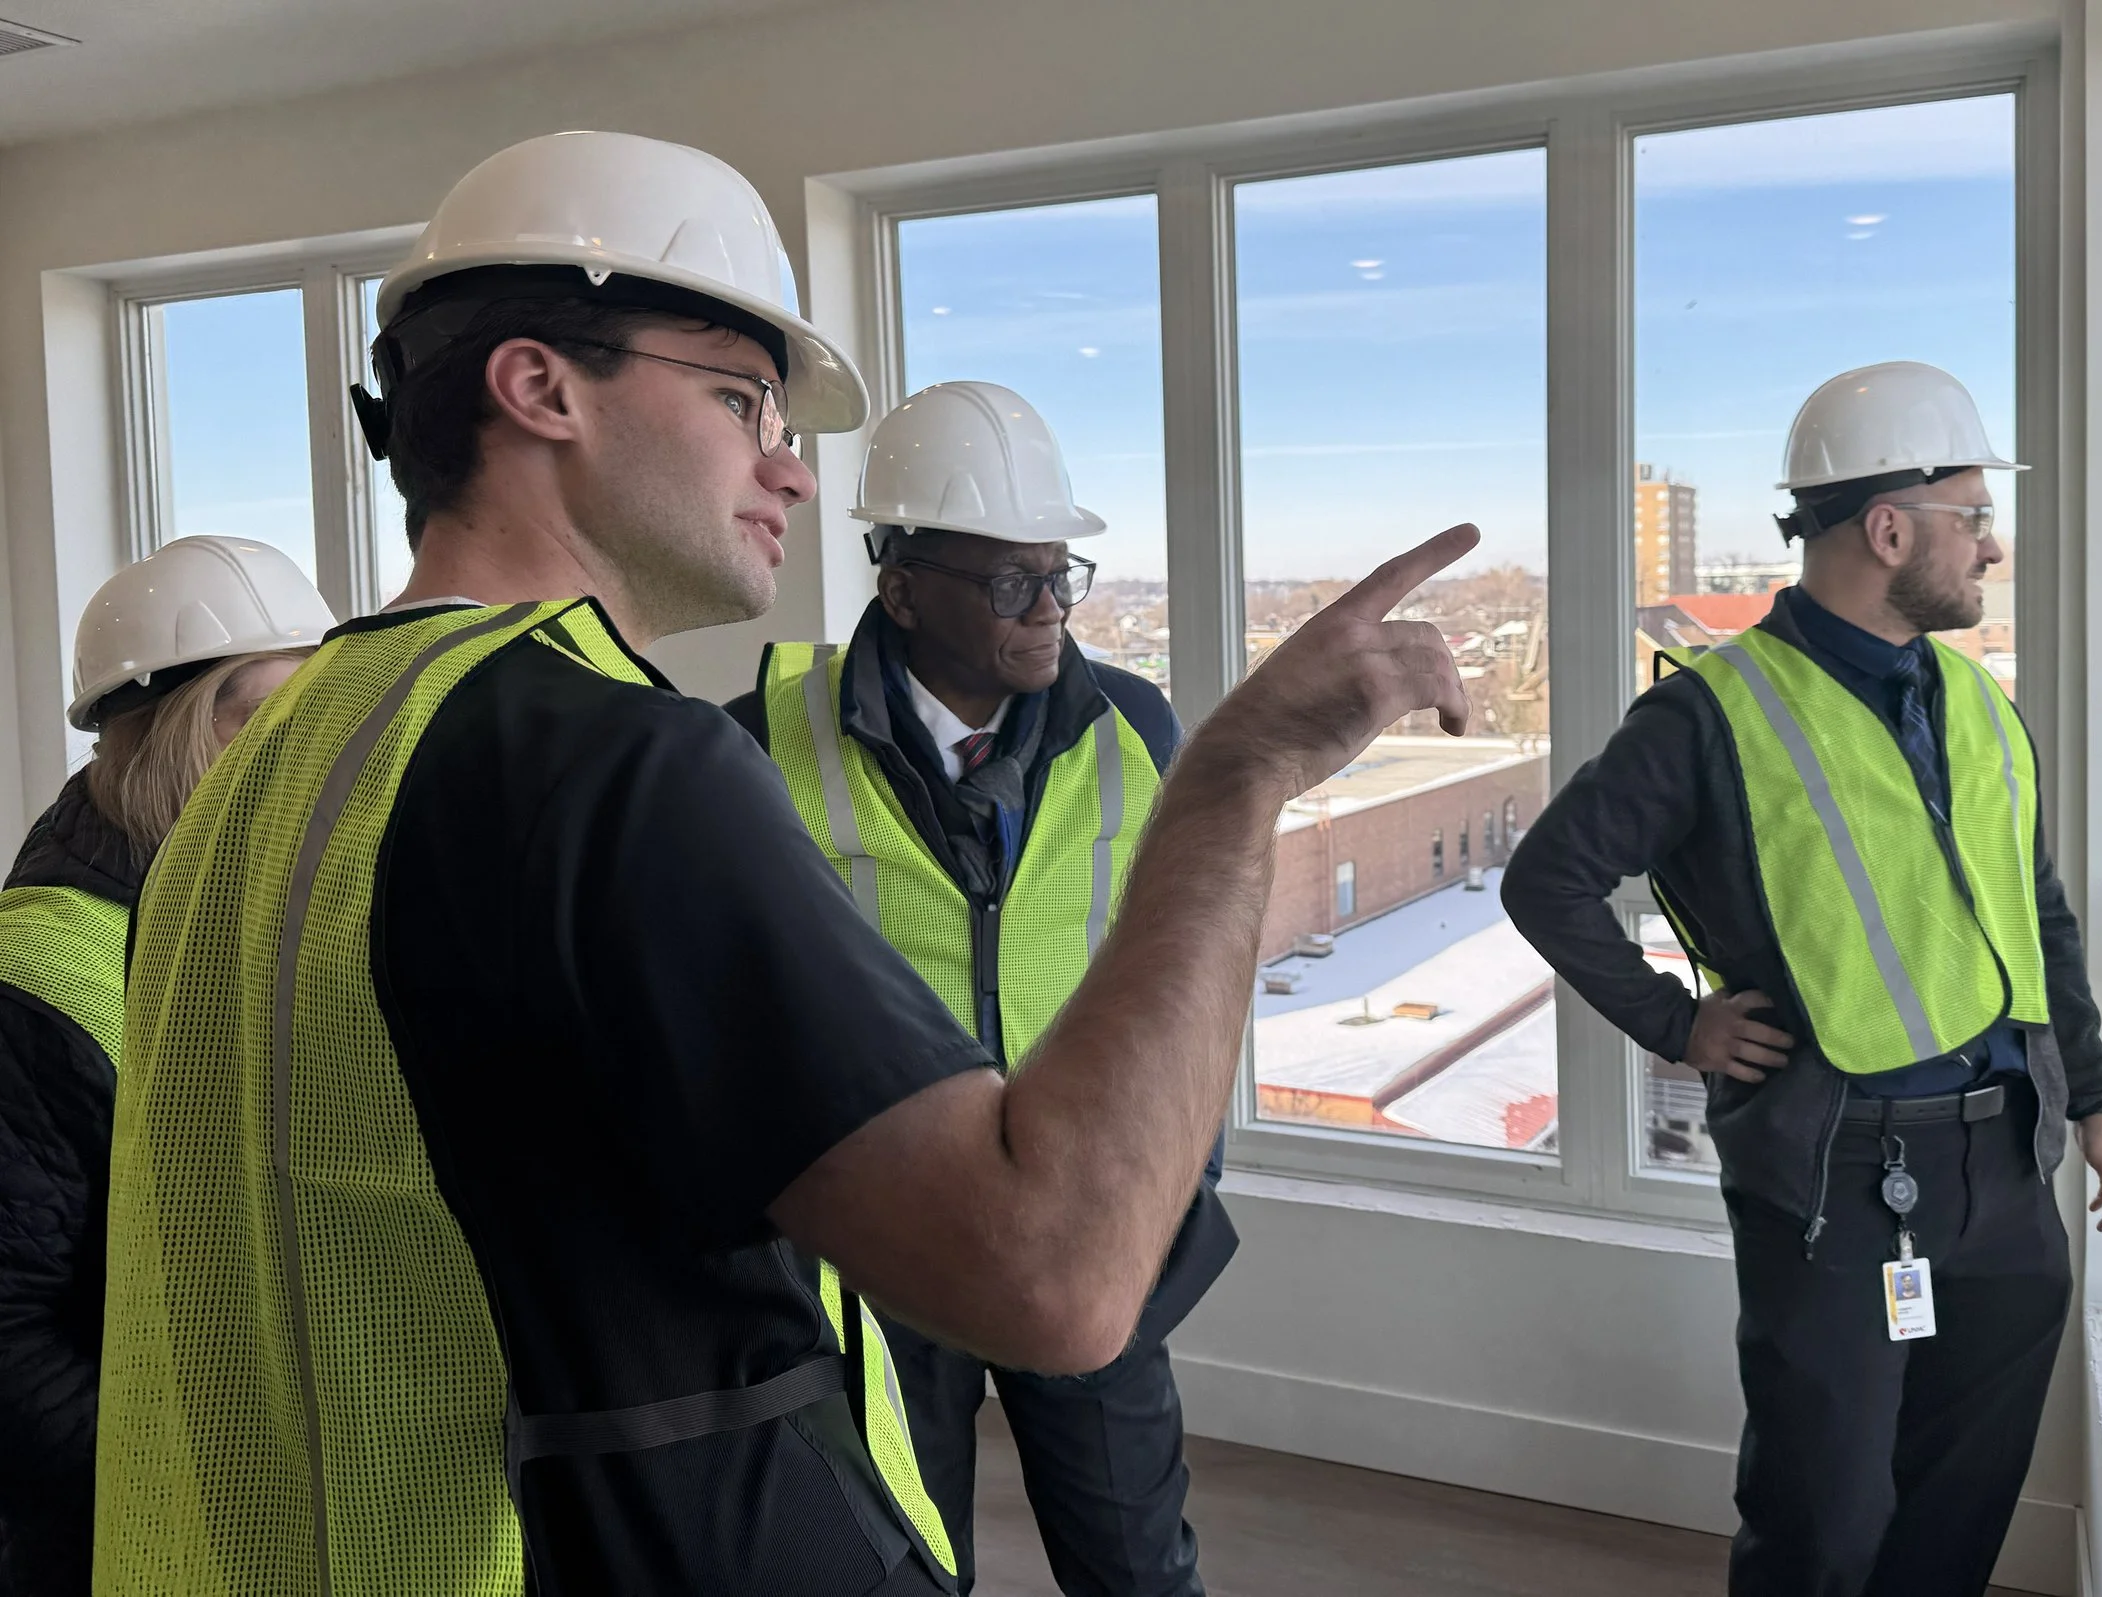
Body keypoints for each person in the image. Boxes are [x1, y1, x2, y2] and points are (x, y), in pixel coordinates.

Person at [93, 129, 1476, 1597]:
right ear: (540, 387)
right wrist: (1241, 780)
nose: (789, 474)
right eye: (742, 397)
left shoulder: (289, 749)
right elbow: (1056, 1276)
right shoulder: (614, 762)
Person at [1500, 360, 2102, 1597]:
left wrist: (2098, 1104)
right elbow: (1548, 881)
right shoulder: (1711, 715)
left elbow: (2039, 917)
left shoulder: (1973, 700)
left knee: (1963, 1489)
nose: (1992, 549)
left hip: (2007, 1160)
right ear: (1889, 526)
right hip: (1841, 1175)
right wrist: (1673, 1022)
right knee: (1826, 1508)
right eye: (1974, 517)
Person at [724, 380, 1232, 1597]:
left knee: (1136, 1561)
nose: (1051, 609)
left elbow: (1184, 958)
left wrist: (1179, 1173)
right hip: (884, 1242)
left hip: (1089, 1216)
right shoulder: (757, 739)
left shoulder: (1134, 725)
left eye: (1063, 575)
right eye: (1013, 582)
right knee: (904, 1555)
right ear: (900, 587)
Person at [0, 535, 330, 1596]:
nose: (302, 750)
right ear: (171, 733)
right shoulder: (33, 978)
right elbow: (9, 1346)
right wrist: (236, 1492)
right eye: (267, 716)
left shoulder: (245, 914)